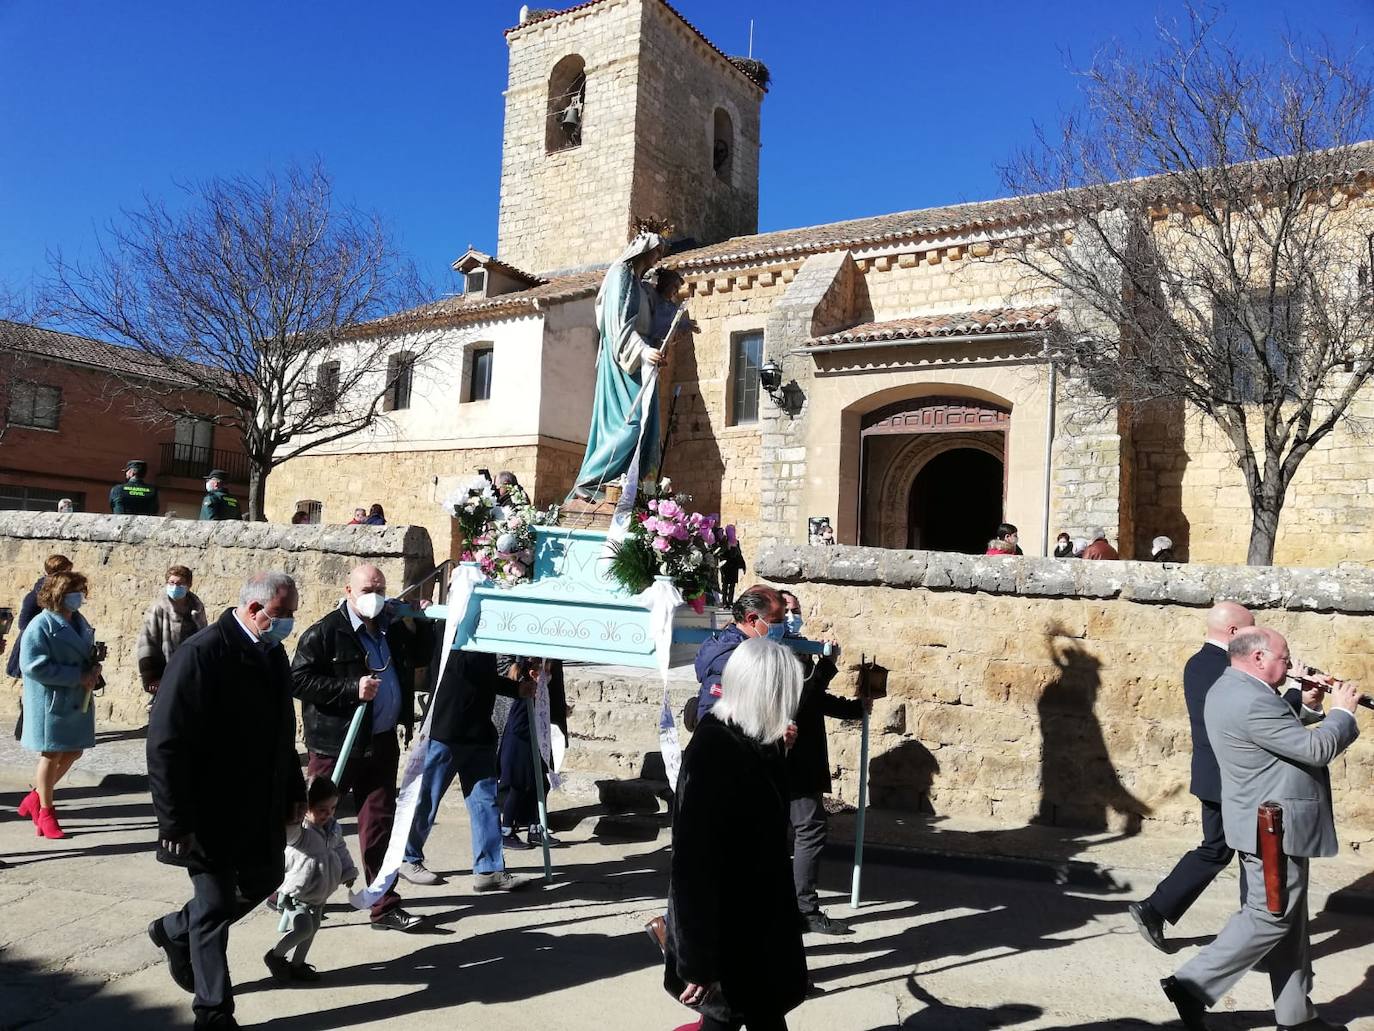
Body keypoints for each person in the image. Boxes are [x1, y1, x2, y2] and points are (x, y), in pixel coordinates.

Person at [1161, 627, 1362, 1031]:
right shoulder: (1250, 699)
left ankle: (1296, 1016)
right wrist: (1343, 712)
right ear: (1258, 658)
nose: (1290, 666)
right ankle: (1191, 984)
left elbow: (1271, 736)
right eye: (1285, 659)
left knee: (1289, 923)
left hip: (1269, 822)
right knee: (1270, 917)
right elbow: (1315, 749)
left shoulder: (1233, 688)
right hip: (1272, 827)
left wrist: (1307, 703)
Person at [146, 571, 306, 1029]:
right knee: (214, 906)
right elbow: (165, 744)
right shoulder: (201, 654)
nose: (288, 623)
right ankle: (213, 1010)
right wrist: (173, 819)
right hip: (207, 809)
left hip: (259, 803)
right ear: (254, 610)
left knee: (267, 877)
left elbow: (280, 731)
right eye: (282, 614)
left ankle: (175, 929)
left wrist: (294, 792)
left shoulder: (272, 653)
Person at [665, 637, 808, 1031]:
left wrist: (779, 752)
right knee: (730, 1017)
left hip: (756, 928)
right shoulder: (715, 751)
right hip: (726, 933)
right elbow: (692, 868)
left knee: (759, 1013)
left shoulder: (749, 739)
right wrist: (697, 963)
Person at [291, 563, 435, 932]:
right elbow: (298, 680)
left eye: (380, 588)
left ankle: (384, 905)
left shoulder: (391, 628)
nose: (375, 595)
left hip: (382, 741)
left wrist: (418, 621)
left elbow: (420, 657)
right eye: (368, 588)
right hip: (336, 744)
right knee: (314, 822)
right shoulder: (325, 632)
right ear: (349, 590)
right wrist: (349, 689)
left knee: (379, 825)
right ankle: (291, 891)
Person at [1130, 602, 1255, 951]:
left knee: (1217, 849)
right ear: (1233, 632)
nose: (1255, 635)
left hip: (1213, 774)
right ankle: (1256, 935)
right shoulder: (1226, 668)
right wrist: (1298, 698)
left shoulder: (1201, 663)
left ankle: (1155, 908)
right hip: (1231, 777)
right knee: (1251, 853)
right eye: (1250, 628)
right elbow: (1254, 717)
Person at [401, 642, 536, 890]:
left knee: (484, 801)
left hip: (479, 731)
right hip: (446, 729)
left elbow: (486, 679)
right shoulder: (453, 631)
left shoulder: (485, 639)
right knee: (427, 797)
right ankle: (407, 857)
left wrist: (518, 689)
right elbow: (465, 673)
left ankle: (489, 868)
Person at [778, 590, 866, 937]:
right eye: (785, 610)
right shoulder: (777, 654)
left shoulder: (799, 648)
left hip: (801, 757)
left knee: (801, 830)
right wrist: (827, 666)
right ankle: (804, 909)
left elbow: (814, 699)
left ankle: (798, 906)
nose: (792, 615)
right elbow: (800, 700)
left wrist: (853, 708)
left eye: (796, 610)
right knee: (809, 828)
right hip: (789, 758)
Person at [571, 229, 670, 500]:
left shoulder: (640, 285)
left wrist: (655, 349)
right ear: (642, 248)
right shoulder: (621, 275)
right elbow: (617, 323)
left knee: (647, 429)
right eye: (656, 250)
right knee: (631, 423)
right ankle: (590, 483)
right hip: (621, 363)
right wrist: (641, 350)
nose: (658, 257)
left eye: (661, 252)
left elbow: (645, 324)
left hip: (639, 365)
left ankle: (631, 490)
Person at [16, 569, 101, 840]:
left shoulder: (78, 620)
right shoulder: (41, 625)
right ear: (59, 594)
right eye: (74, 591)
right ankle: (46, 811)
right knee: (51, 754)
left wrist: (94, 663)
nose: (79, 597)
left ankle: (35, 797)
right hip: (51, 700)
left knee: (74, 750)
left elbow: (82, 649)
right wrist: (77, 676)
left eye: (81, 591)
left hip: (76, 697)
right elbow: (32, 666)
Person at [264, 775, 358, 985]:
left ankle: (298, 965)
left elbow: (341, 849)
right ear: (306, 808)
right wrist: (293, 810)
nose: (328, 814)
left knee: (312, 929)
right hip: (296, 894)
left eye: (333, 808)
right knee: (303, 928)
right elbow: (287, 833)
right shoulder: (301, 832)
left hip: (320, 893)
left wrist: (349, 871)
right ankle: (275, 957)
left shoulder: (333, 828)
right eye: (322, 809)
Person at [497, 655, 568, 849]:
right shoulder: (527, 697)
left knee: (541, 786)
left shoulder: (542, 696)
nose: (550, 676)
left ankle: (536, 828)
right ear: (533, 674)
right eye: (546, 672)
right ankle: (506, 829)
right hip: (519, 753)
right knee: (518, 789)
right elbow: (518, 726)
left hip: (535, 750)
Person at [692, 585, 787, 724]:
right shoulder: (730, 659)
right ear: (752, 619)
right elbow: (712, 719)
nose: (781, 628)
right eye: (776, 622)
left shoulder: (753, 649)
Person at [7, 554, 73, 740]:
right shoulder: (37, 593)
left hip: (51, 646)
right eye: (67, 571)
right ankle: (24, 730)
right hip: (35, 646)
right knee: (34, 690)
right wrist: (44, 635)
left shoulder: (61, 593)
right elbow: (24, 623)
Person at [137, 565, 208, 709]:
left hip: (191, 670)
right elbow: (147, 642)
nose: (175, 587)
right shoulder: (158, 608)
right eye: (171, 583)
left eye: (180, 583)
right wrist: (150, 677)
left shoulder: (197, 608)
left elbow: (203, 637)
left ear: (188, 585)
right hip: (167, 671)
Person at [718, 528, 746, 606]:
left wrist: (743, 565)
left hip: (734, 566)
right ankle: (724, 602)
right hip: (725, 567)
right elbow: (721, 553)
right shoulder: (724, 541)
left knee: (732, 585)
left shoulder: (736, 542)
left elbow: (739, 554)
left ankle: (730, 602)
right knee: (725, 585)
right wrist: (727, 548)